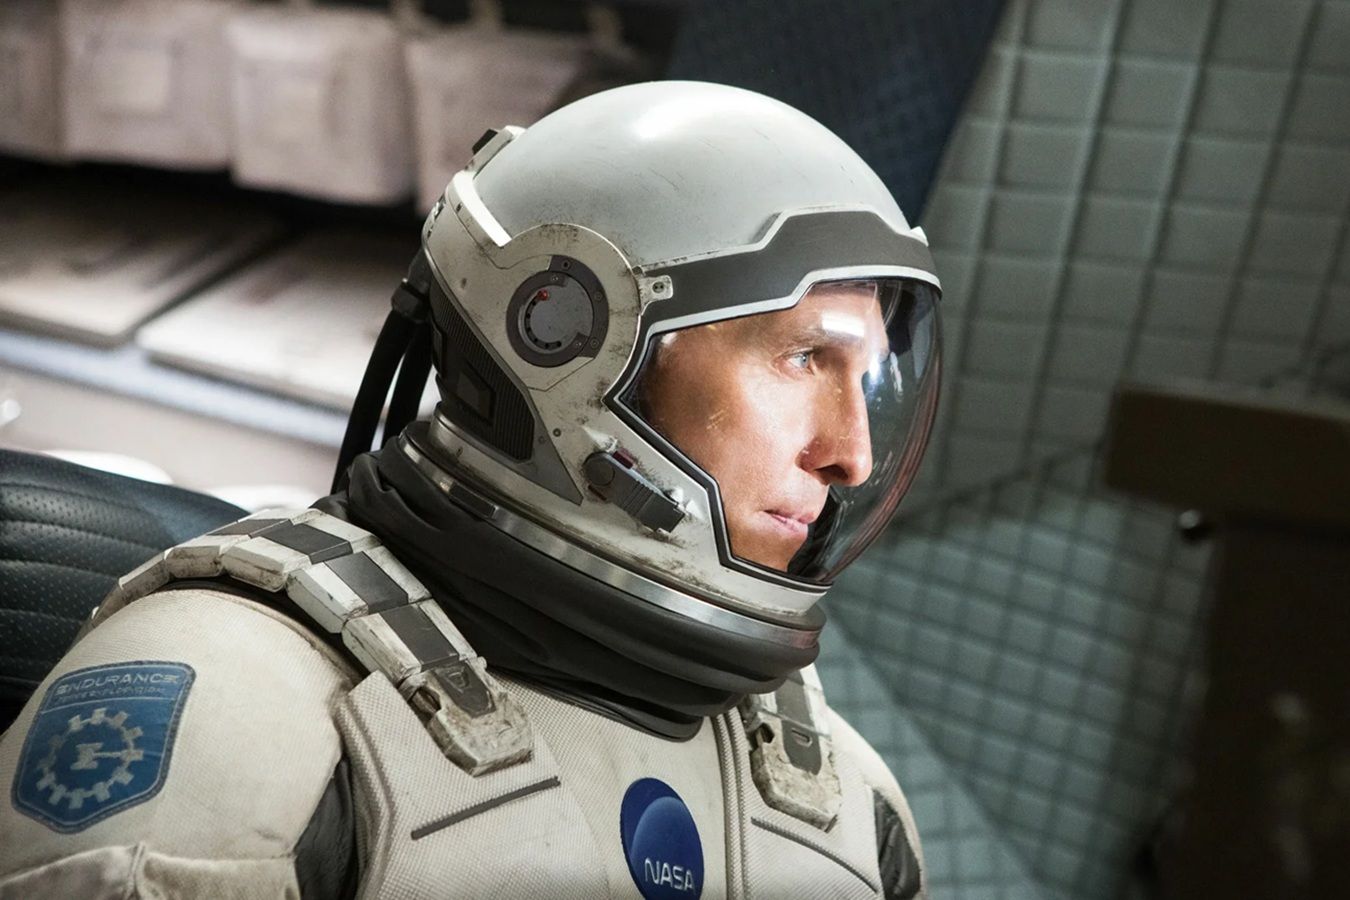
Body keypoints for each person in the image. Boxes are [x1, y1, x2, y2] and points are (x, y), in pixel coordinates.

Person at [0, 81, 941, 899]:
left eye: (866, 381)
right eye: (803, 357)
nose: (852, 456)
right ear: (565, 340)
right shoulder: (237, 729)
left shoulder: (847, 810)